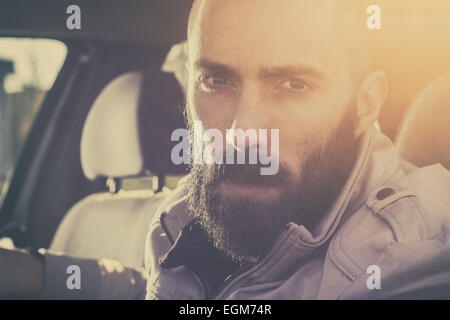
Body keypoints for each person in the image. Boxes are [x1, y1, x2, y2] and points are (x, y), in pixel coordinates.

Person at [1, 0, 450, 299]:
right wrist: (40, 276)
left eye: (294, 84)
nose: (241, 133)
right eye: (217, 80)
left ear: (365, 104)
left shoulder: (410, 261)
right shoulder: (189, 212)